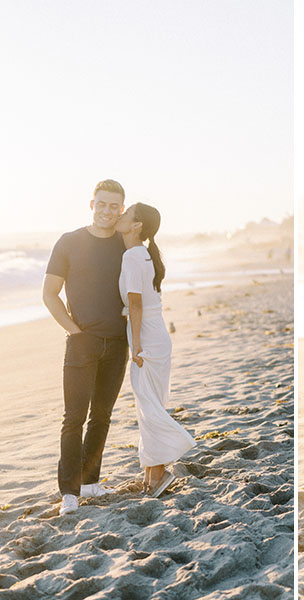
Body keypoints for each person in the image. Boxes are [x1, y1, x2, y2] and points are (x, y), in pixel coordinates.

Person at [43, 179, 128, 516]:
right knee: (73, 418)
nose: (107, 211)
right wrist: (74, 331)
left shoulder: (126, 244)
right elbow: (49, 294)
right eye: (102, 204)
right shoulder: (69, 242)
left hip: (118, 343)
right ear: (91, 204)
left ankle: (91, 482)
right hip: (82, 343)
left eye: (114, 206)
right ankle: (69, 492)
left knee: (102, 416)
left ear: (122, 209)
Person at [114, 203, 196, 496]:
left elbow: (135, 303)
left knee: (149, 407)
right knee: (149, 405)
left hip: (147, 337)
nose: (120, 216)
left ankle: (159, 472)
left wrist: (135, 344)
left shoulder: (133, 257)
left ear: (137, 226)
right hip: (156, 334)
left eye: (126, 214)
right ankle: (152, 477)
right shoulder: (143, 255)